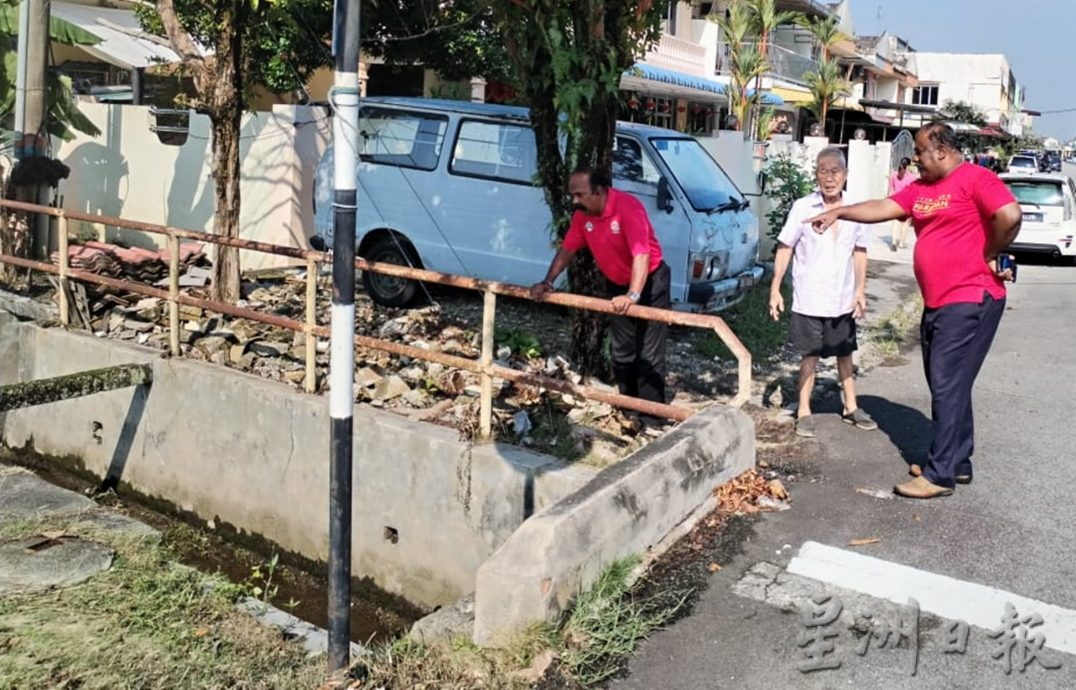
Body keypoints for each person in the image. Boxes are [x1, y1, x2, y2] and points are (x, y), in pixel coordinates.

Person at [809, 123, 1022, 499]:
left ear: (941, 150)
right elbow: (884, 207)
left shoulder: (975, 178)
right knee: (950, 381)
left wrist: (989, 253)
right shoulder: (922, 189)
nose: (915, 160)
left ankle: (939, 475)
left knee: (946, 381)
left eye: (921, 152)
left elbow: (1009, 215)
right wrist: (839, 212)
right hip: (939, 300)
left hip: (972, 297)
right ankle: (958, 461)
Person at [531, 167, 670, 406]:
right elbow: (567, 250)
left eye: (580, 195)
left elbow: (641, 255)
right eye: (572, 195)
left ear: (599, 192)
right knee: (623, 353)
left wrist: (633, 295)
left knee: (649, 354)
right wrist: (547, 281)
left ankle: (653, 416)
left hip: (650, 282)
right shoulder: (582, 216)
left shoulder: (628, 208)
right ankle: (629, 409)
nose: (575, 201)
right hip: (617, 285)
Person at [769, 147, 876, 439]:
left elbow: (860, 251)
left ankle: (851, 406)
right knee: (810, 356)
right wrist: (776, 288)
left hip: (841, 298)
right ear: (816, 174)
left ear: (845, 175)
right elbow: (785, 247)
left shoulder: (855, 209)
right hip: (809, 298)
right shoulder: (804, 207)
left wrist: (860, 290)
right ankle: (804, 410)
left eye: (835, 172)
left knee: (845, 353)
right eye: (823, 171)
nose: (829, 178)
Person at [888, 157, 917, 250]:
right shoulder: (911, 177)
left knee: (895, 222)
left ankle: (893, 242)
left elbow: (891, 190)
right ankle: (901, 242)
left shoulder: (893, 175)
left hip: (896, 201)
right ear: (907, 167)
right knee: (905, 224)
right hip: (907, 202)